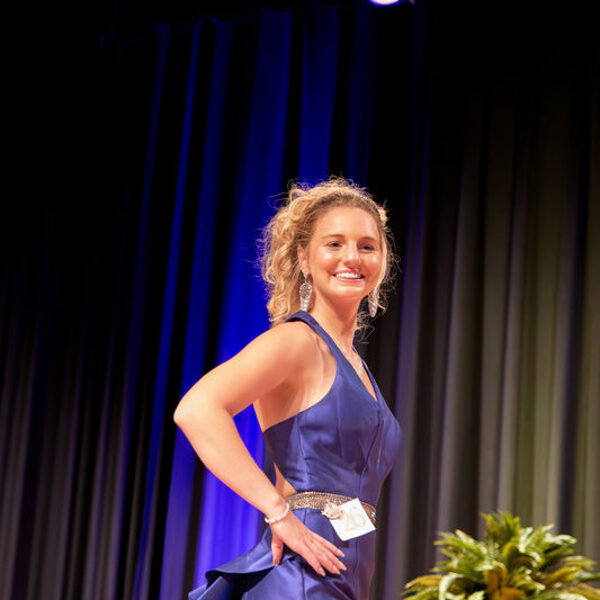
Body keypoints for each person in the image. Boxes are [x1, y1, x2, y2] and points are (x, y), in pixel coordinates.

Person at [174, 177, 402, 599]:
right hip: (302, 574)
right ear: (303, 257)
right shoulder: (297, 341)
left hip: (343, 571)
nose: (352, 257)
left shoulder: (356, 366)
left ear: (382, 260)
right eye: (334, 244)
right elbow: (197, 409)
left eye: (367, 246)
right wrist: (277, 512)